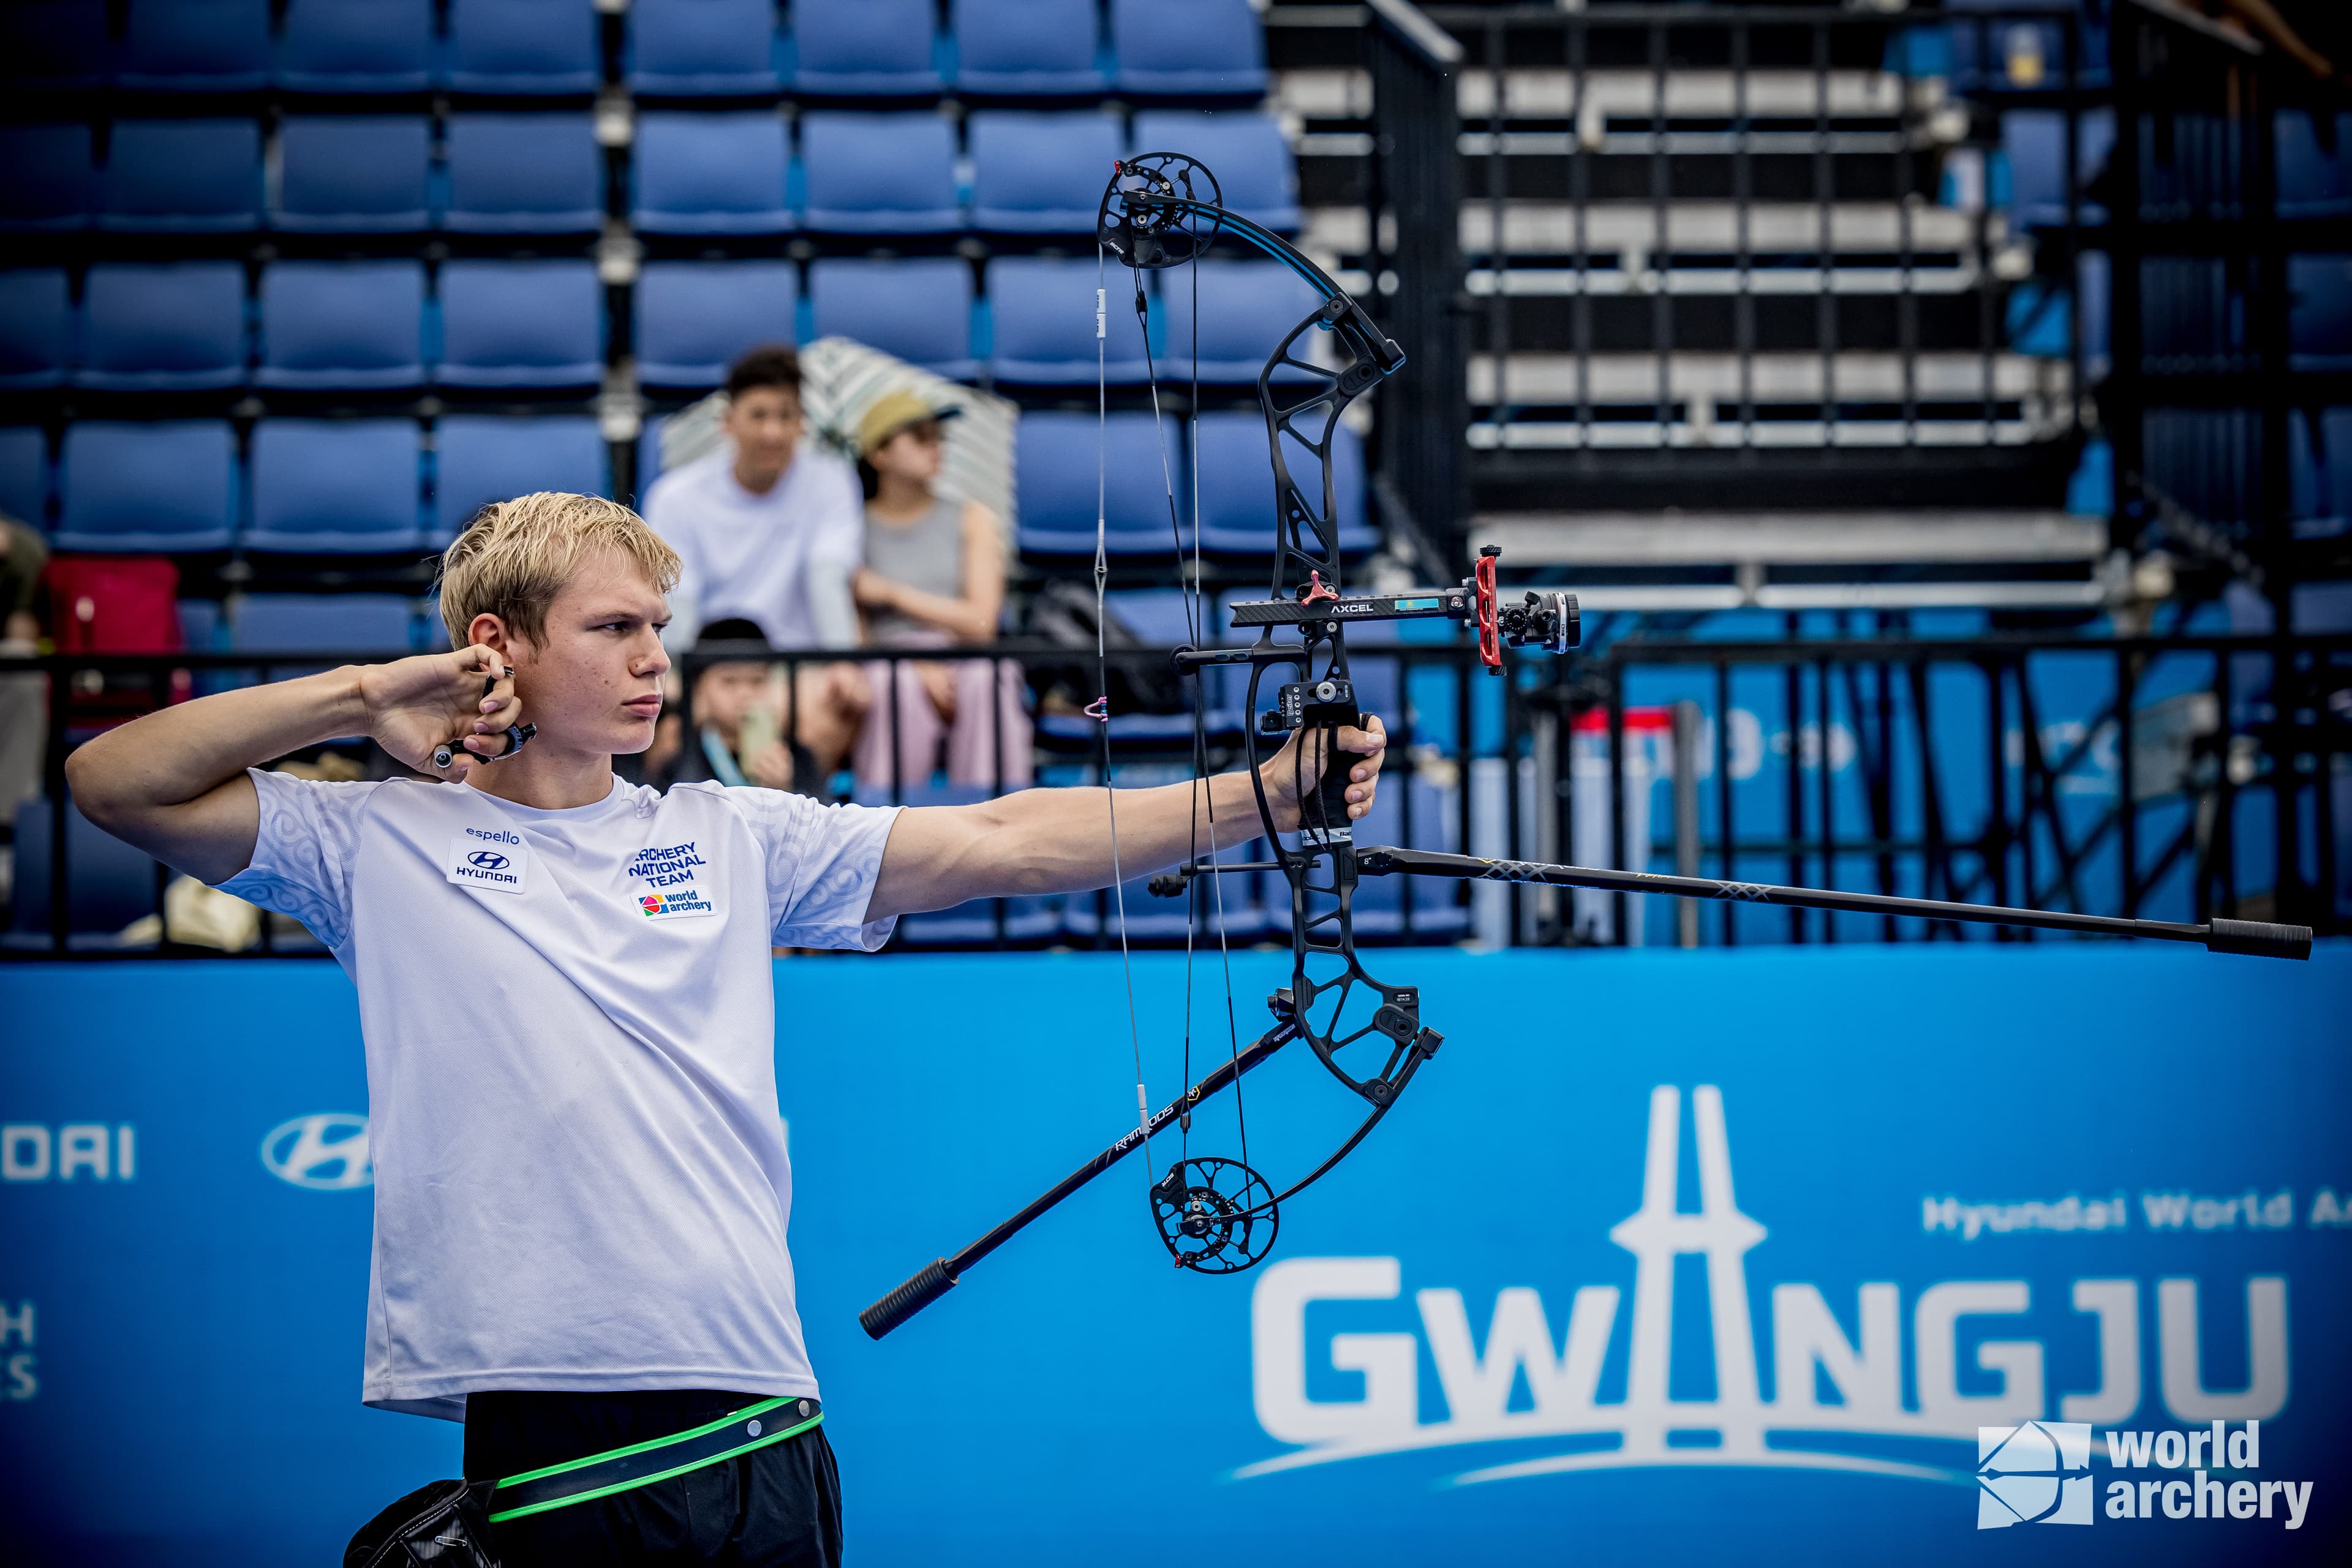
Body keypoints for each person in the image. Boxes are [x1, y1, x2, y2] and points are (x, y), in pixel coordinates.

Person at [63, 489, 1385, 1566]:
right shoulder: (373, 840)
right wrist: (366, 698)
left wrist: (1262, 793)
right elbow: (111, 781)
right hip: (555, 1415)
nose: (656, 658)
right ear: (496, 644)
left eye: (661, 626)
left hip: (761, 1402)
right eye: (615, 627)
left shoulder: (728, 830)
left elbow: (998, 837)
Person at [644, 345, 869, 777]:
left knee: (826, 714)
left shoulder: (831, 481)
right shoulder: (676, 495)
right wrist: (682, 684)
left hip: (794, 669)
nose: (774, 432)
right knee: (665, 732)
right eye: (759, 415)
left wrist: (843, 662)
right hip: (703, 666)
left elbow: (827, 577)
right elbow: (680, 599)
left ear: (802, 423)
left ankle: (792, 832)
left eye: (787, 416)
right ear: (728, 423)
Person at [850, 391, 1033, 793]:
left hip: (966, 659)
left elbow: (982, 623)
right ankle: (887, 832)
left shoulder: (973, 518)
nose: (936, 448)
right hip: (892, 664)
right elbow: (856, 635)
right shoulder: (850, 527)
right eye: (919, 437)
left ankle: (999, 826)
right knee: (890, 685)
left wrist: (892, 594)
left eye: (937, 437)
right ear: (879, 454)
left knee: (989, 678)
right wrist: (913, 663)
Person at [643, 617, 810, 794]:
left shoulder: (796, 757)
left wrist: (785, 791)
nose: (745, 694)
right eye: (729, 682)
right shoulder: (680, 756)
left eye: (757, 681)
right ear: (699, 687)